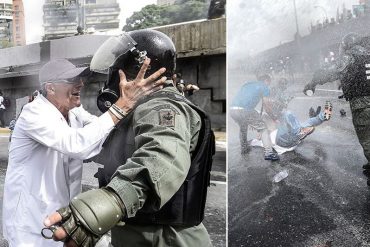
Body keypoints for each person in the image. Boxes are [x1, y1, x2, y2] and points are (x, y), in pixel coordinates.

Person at [44, 29, 214, 247]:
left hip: (161, 237)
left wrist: (108, 203)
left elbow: (162, 157)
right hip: (146, 233)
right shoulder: (144, 105)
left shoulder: (160, 107)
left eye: (117, 70)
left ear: (139, 69)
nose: (112, 77)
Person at [2, 58, 167, 247]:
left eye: (80, 79)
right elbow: (78, 144)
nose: (80, 84)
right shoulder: (34, 113)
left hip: (62, 215)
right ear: (51, 88)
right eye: (72, 80)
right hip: (30, 222)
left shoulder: (74, 112)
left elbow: (99, 130)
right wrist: (124, 104)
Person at [303, 32, 370, 185]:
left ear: (347, 45)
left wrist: (312, 82)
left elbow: (330, 71)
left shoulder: (350, 57)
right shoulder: (368, 54)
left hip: (363, 103)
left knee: (367, 139)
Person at [253, 100, 333, 154]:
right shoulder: (281, 115)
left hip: (286, 144)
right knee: (289, 116)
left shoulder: (266, 117)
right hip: (283, 142)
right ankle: (301, 131)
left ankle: (322, 117)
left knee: (306, 122)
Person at [230, 74, 279, 160]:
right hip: (245, 110)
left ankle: (244, 148)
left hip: (232, 110)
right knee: (263, 128)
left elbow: (245, 98)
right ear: (266, 80)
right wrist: (273, 117)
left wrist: (253, 119)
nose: (269, 84)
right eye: (269, 82)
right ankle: (269, 153)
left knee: (243, 127)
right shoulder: (264, 86)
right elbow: (266, 105)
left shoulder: (247, 84)